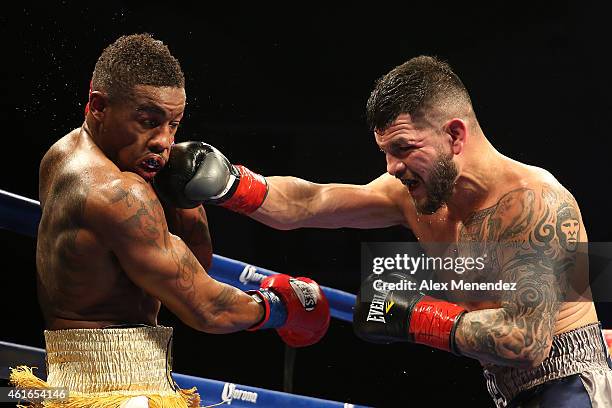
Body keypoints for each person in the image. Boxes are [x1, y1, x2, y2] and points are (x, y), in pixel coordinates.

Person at [161, 56, 612, 407]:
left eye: (403, 149)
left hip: (570, 386)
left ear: (455, 135)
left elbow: (526, 340)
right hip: (507, 390)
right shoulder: (413, 196)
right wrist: (231, 185)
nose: (392, 168)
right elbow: (309, 202)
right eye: (385, 152)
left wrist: (413, 316)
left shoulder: (535, 203)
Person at [9, 33, 330, 408]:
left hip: (73, 382)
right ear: (98, 106)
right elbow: (208, 307)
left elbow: (195, 262)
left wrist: (183, 196)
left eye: (173, 125)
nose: (164, 141)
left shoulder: (62, 154)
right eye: (149, 121)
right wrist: (280, 307)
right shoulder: (119, 192)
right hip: (121, 391)